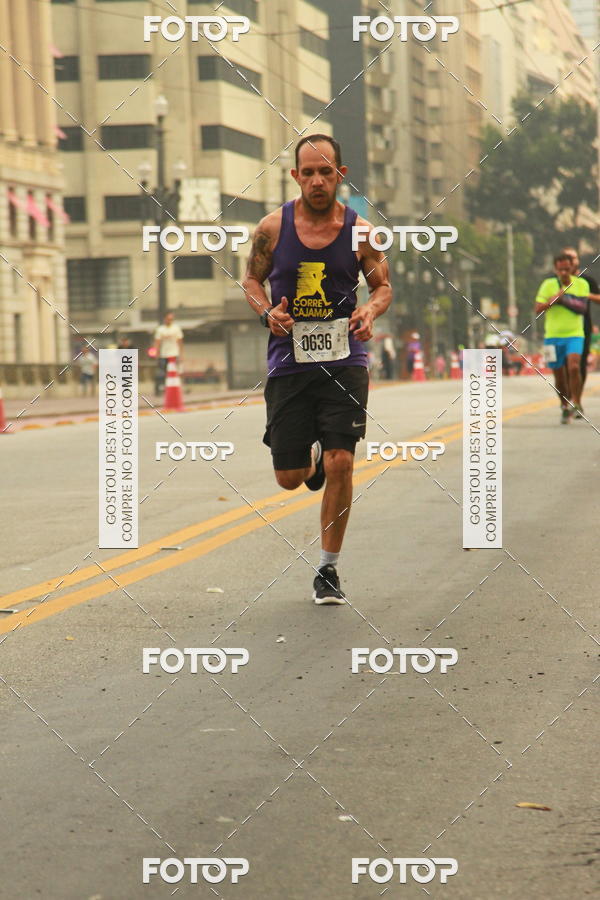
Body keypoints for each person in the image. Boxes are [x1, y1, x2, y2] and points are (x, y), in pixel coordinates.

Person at [242, 134, 392, 605]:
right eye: (308, 172)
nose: (317, 180)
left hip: (345, 362)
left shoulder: (362, 232)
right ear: (295, 177)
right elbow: (250, 280)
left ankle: (327, 570)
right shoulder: (272, 227)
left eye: (326, 172)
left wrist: (369, 312)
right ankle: (308, 461)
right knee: (290, 477)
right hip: (289, 362)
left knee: (342, 460)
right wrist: (268, 312)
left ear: (340, 176)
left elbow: (383, 288)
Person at [535, 253, 592, 423]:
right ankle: (564, 406)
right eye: (561, 270)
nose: (564, 272)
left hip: (574, 335)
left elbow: (582, 308)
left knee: (574, 367)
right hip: (552, 337)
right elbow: (538, 308)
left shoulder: (581, 284)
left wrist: (564, 299)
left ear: (572, 268)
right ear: (555, 269)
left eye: (567, 269)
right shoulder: (548, 284)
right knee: (559, 376)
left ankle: (577, 402)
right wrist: (551, 301)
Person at [562, 247, 599, 417]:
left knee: (578, 365)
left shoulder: (586, 281)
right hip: (558, 331)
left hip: (582, 328)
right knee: (563, 367)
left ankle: (576, 400)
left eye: (573, 257)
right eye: (567, 257)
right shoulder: (554, 281)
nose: (570, 260)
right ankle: (566, 399)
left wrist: (586, 295)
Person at [153, 312, 183, 395]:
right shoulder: (160, 329)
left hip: (174, 354)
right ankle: (162, 390)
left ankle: (176, 390)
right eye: (168, 319)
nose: (170, 321)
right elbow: (157, 342)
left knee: (175, 373)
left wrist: (181, 355)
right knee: (163, 373)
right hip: (164, 354)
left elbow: (180, 342)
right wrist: (156, 353)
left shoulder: (176, 328)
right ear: (165, 319)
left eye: (171, 319)